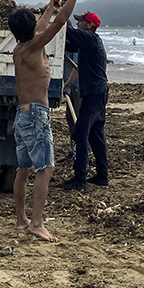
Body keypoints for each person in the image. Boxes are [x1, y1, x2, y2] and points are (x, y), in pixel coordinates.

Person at [8, 0, 81, 243]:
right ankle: (36, 223)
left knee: (24, 169)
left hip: (22, 115)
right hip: (36, 114)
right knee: (45, 169)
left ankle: (21, 219)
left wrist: (49, 6)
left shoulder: (20, 48)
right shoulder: (33, 47)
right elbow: (60, 22)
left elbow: (44, 23)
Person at [62, 10, 109, 189]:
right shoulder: (91, 41)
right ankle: (102, 175)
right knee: (95, 135)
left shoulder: (89, 39)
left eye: (81, 21)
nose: (79, 23)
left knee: (80, 134)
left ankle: (80, 178)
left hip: (94, 95)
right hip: (98, 93)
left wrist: (62, 14)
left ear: (89, 25)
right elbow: (69, 44)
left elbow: (67, 32)